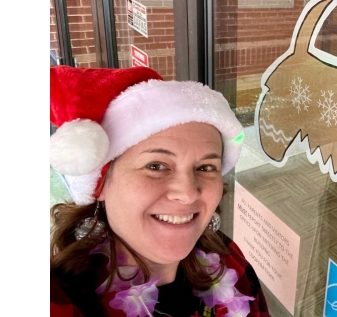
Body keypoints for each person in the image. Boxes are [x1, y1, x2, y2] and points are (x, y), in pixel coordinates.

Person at [49, 65, 269, 317]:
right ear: (100, 185)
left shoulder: (229, 261)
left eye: (206, 166)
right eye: (156, 166)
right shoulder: (58, 300)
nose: (187, 193)